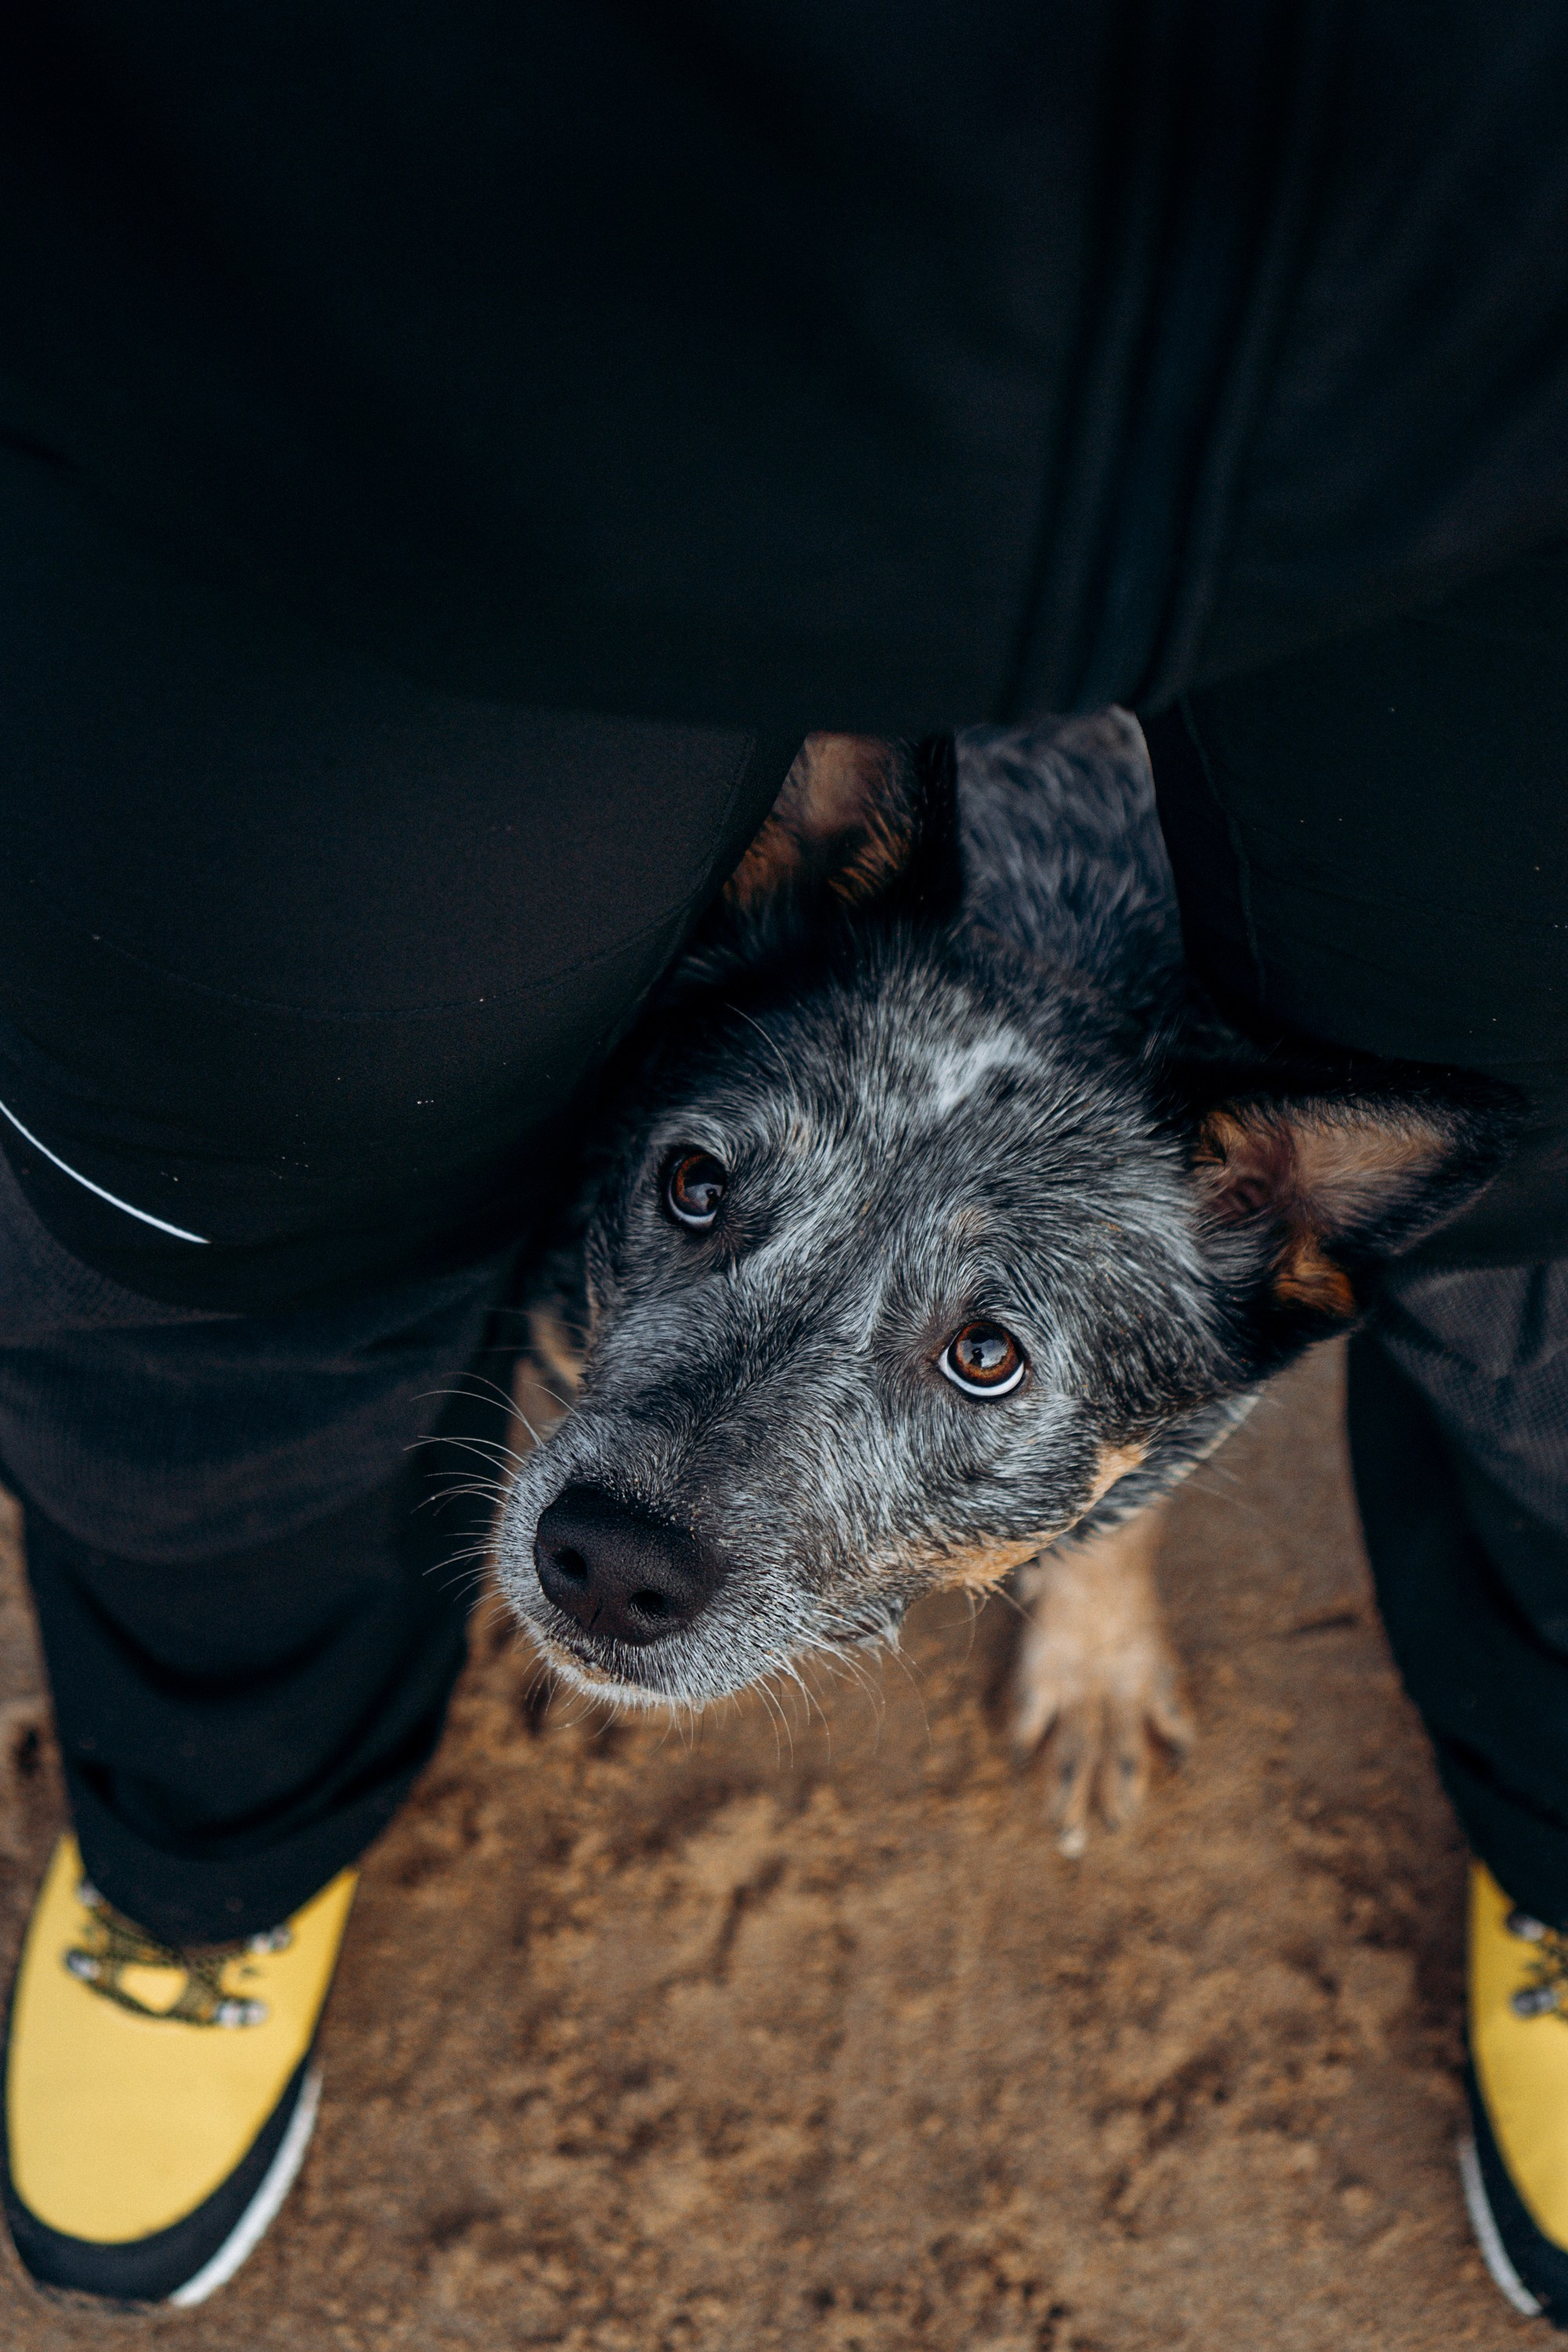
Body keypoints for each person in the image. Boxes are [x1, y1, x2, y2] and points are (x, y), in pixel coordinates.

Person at [2, 0, 1567, 2318]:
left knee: (1556, 1269)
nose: (655, 1495)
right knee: (206, 1219)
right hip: (429, 321)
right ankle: (200, 1846)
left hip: (1495, 372)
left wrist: (1092, 1577)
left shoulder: (1236, 1245)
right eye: (707, 1193)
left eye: (986, 1354)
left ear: (1276, 1249)